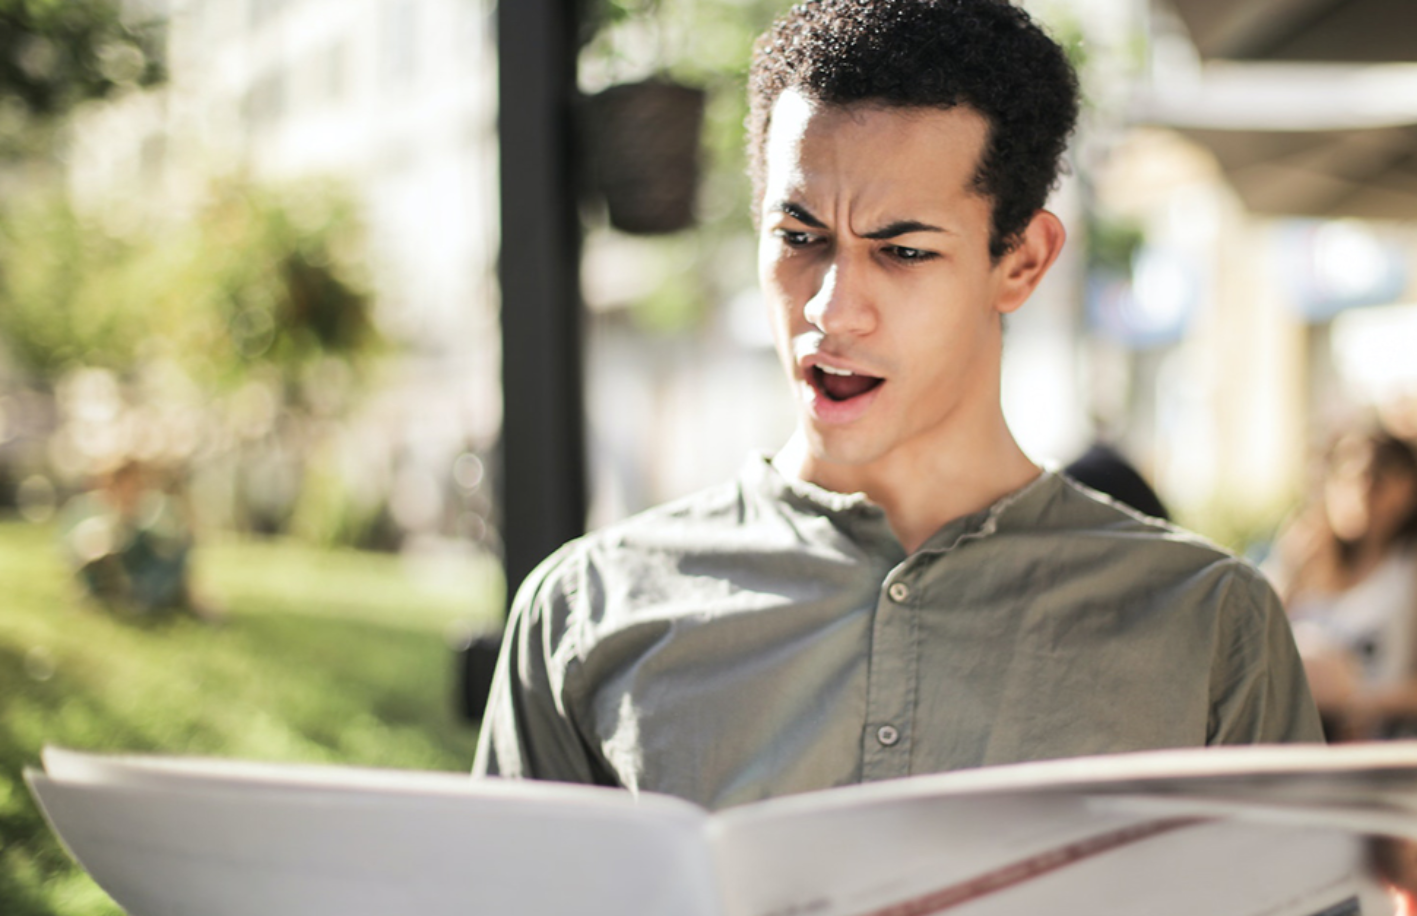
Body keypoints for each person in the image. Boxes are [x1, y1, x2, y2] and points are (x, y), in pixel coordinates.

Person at [474, 0, 1322, 810]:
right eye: (799, 238)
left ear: (1021, 262)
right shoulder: (584, 613)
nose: (831, 309)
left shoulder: (1207, 627)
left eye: (903, 251)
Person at [1266, 427, 1417, 740]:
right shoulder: (1303, 552)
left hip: (1375, 744)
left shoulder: (1405, 570)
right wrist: (1289, 574)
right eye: (1344, 479)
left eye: (1375, 481)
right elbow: (1254, 636)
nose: (1358, 494)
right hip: (1295, 737)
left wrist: (1357, 701)